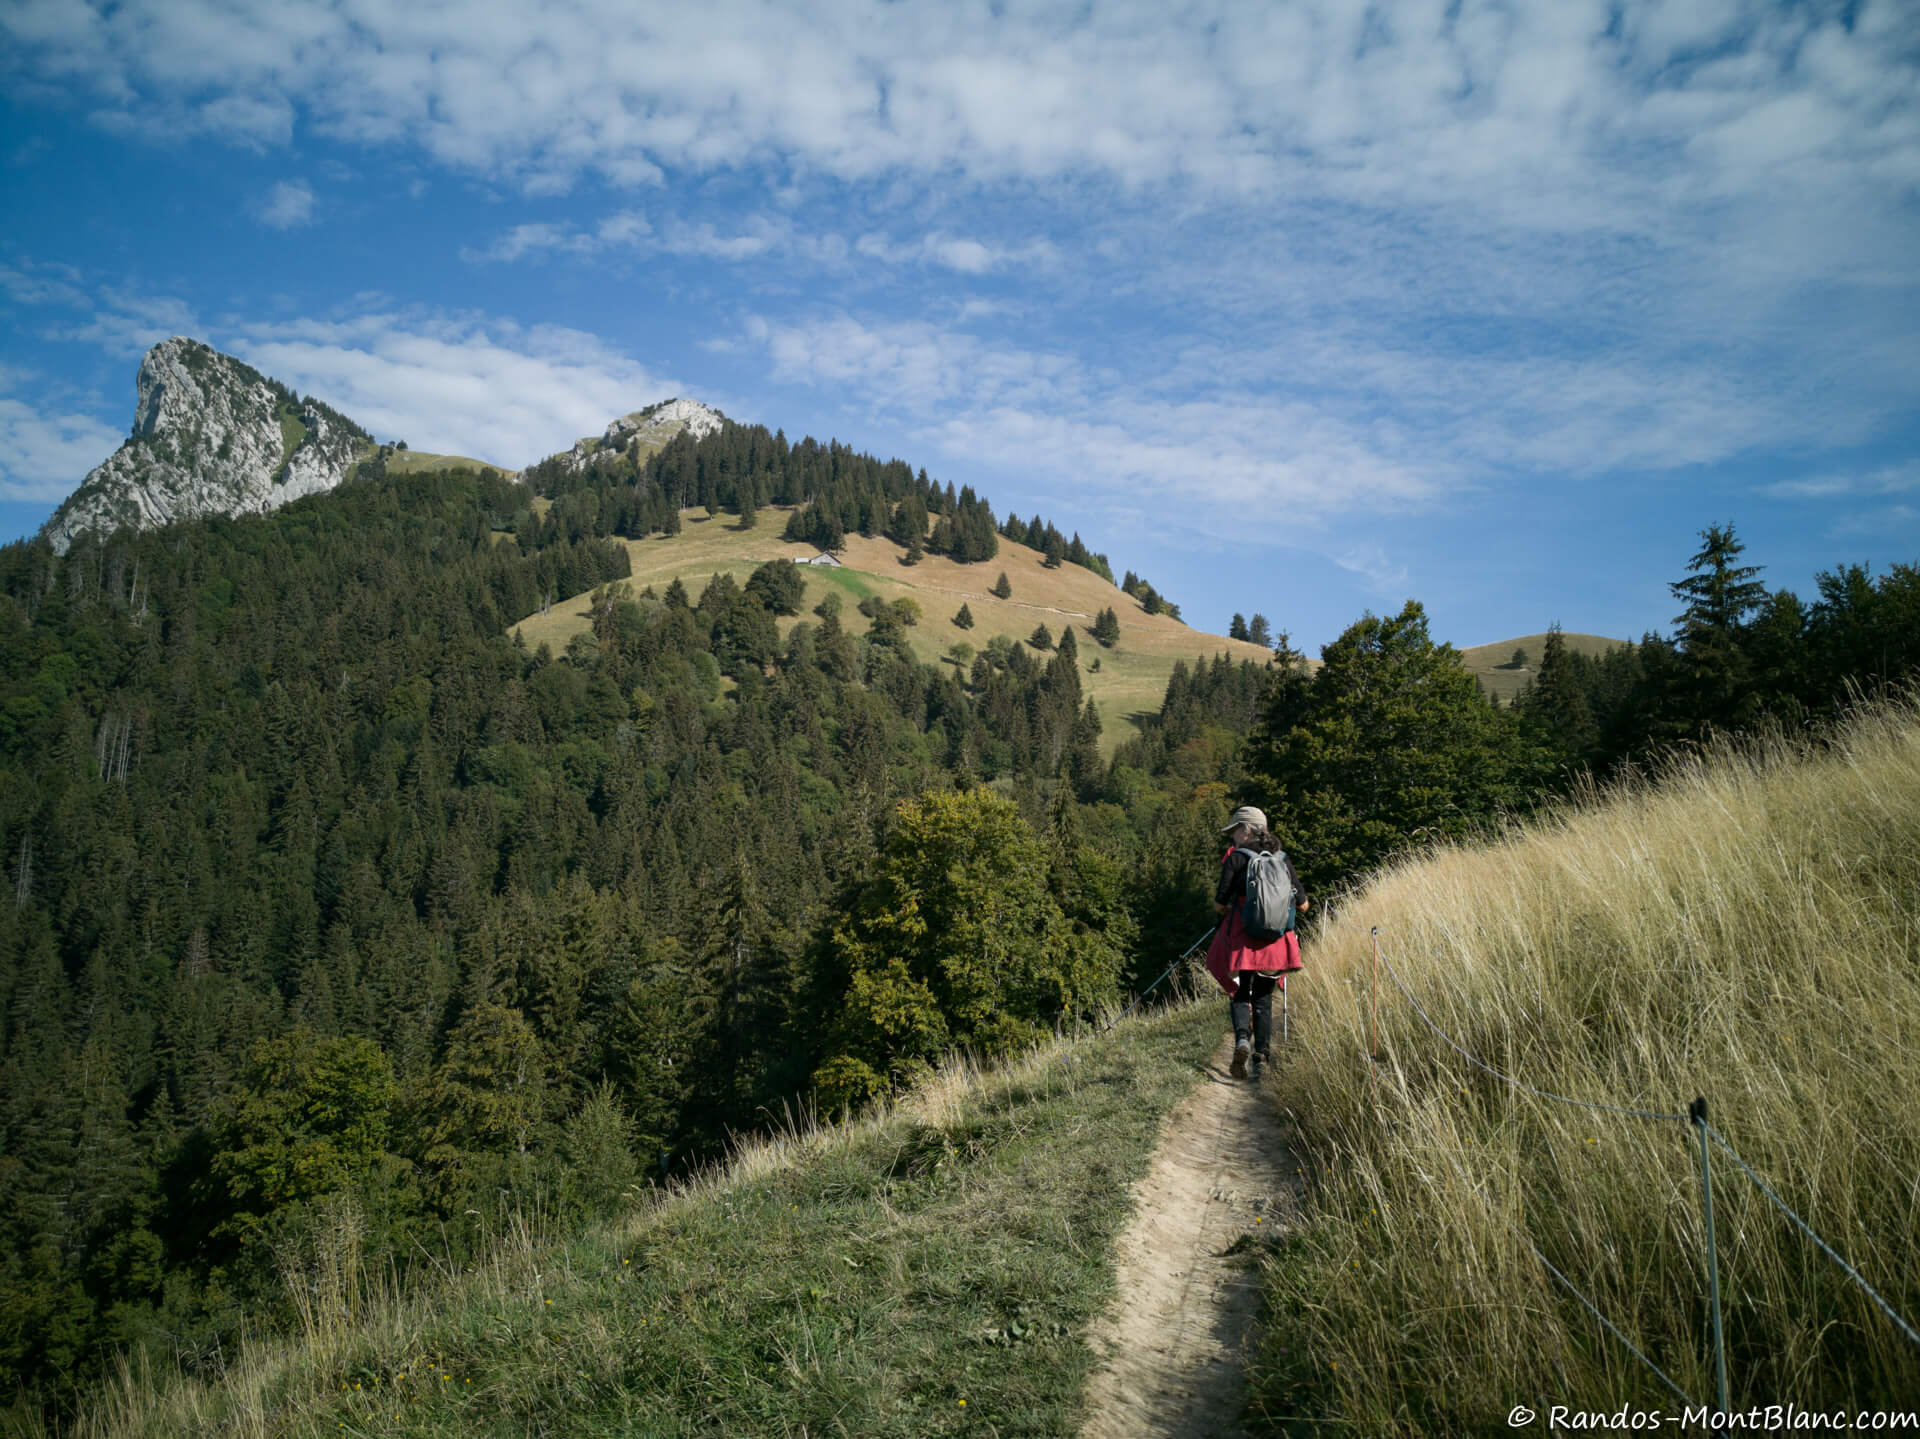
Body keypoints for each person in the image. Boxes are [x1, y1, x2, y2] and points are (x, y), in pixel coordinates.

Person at [1206, 805, 1308, 1079]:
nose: (1233, 836)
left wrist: (1232, 906)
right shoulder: (1282, 858)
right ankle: (1261, 1056)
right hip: (1275, 940)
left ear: (1248, 829)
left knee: (1242, 993)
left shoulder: (1237, 858)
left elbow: (1220, 903)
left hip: (1244, 938)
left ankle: (1242, 1039)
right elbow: (1304, 904)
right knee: (1263, 998)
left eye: (1235, 830)